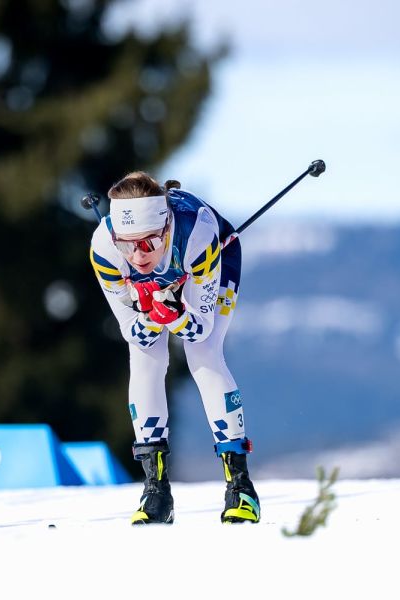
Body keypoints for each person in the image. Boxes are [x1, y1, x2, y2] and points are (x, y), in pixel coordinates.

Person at [89, 172, 258, 525]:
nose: (137, 256)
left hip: (211, 261)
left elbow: (199, 330)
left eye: (148, 244)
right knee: (145, 356)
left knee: (204, 354)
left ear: (165, 230)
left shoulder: (197, 236)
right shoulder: (105, 250)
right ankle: (155, 489)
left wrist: (173, 311)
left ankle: (240, 487)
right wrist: (152, 314)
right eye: (127, 244)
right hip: (166, 288)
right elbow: (135, 334)